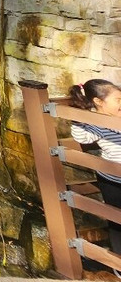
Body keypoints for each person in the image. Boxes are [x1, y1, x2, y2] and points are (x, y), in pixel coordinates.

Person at [70, 78, 121, 264]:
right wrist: (80, 115)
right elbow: (81, 136)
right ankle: (118, 263)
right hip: (112, 179)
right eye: (118, 99)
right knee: (116, 219)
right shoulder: (96, 123)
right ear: (99, 102)